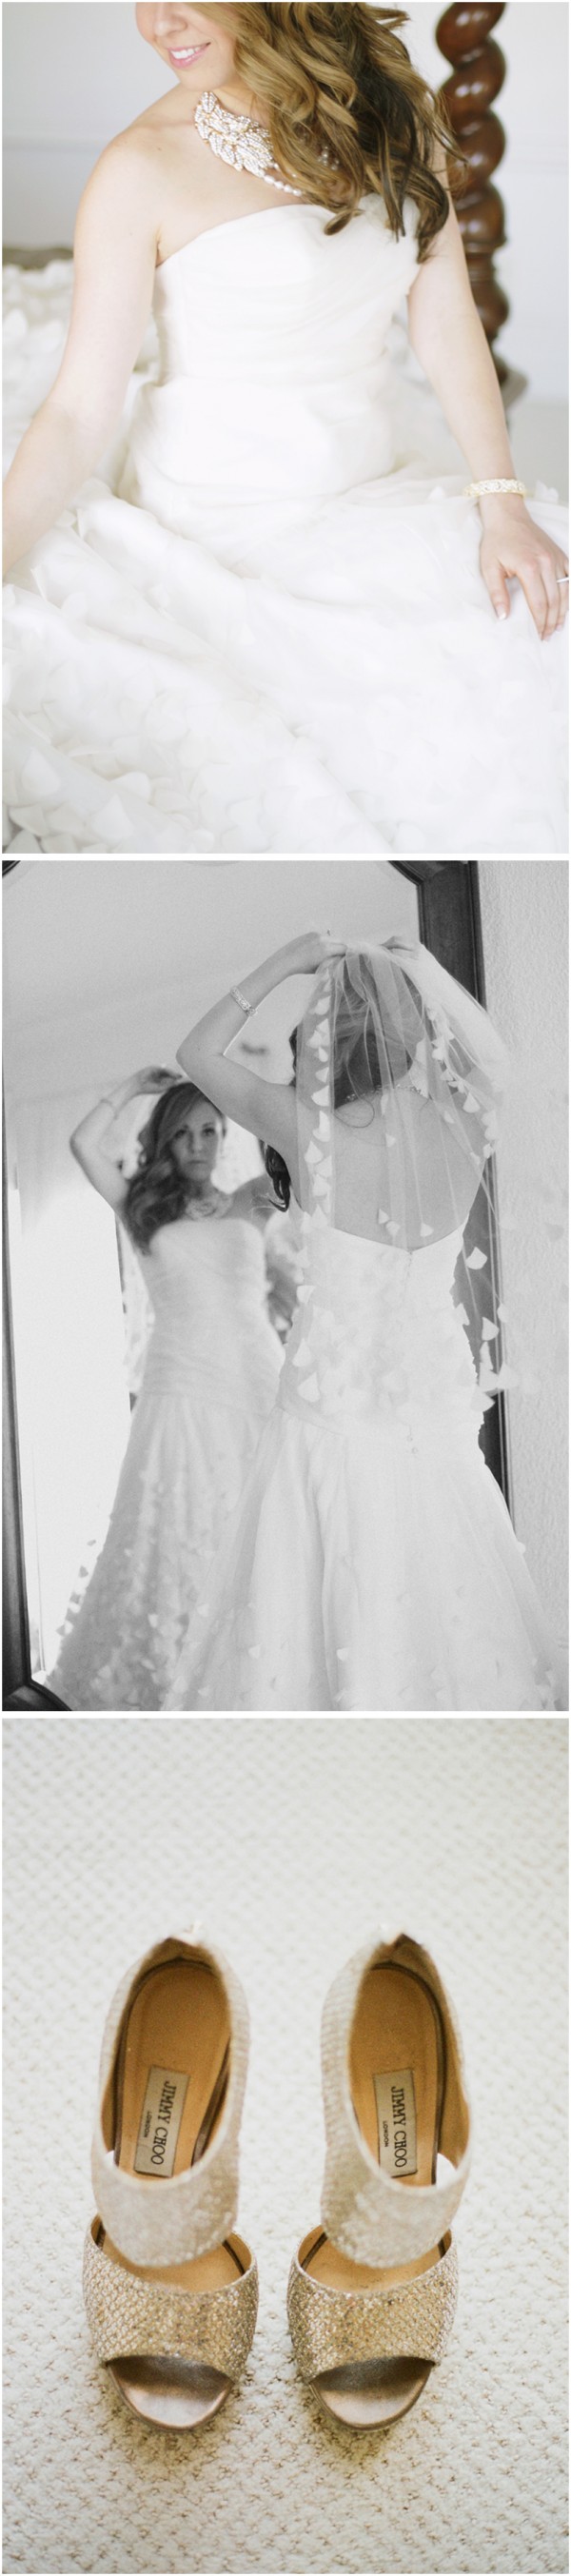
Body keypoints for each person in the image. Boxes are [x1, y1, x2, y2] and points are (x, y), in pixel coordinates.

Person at [3, 2, 567, 857]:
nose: (160, 24)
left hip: (375, 489)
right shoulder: (140, 166)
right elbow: (79, 411)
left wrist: (502, 501)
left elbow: (447, 321)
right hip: (220, 529)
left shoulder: (395, 111)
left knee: (542, 633)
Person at [161, 931, 565, 1713]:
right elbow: (501, 1062)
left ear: (323, 1037)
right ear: (414, 1028)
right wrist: (424, 968)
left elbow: (195, 1053)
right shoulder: (464, 1123)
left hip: (329, 1409)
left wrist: (285, 960)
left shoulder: (306, 1129)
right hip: (432, 1413)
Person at [50, 1069, 284, 1709]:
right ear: (165, 1141)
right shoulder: (141, 1206)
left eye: (210, 1129)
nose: (198, 1144)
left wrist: (241, 1088)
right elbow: (83, 1144)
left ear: (225, 1135)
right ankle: (173, 1687)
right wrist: (130, 1088)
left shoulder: (254, 1199)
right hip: (179, 1386)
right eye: (183, 1133)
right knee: (174, 1539)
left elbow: (313, 1160)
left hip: (256, 1383)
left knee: (262, 1530)